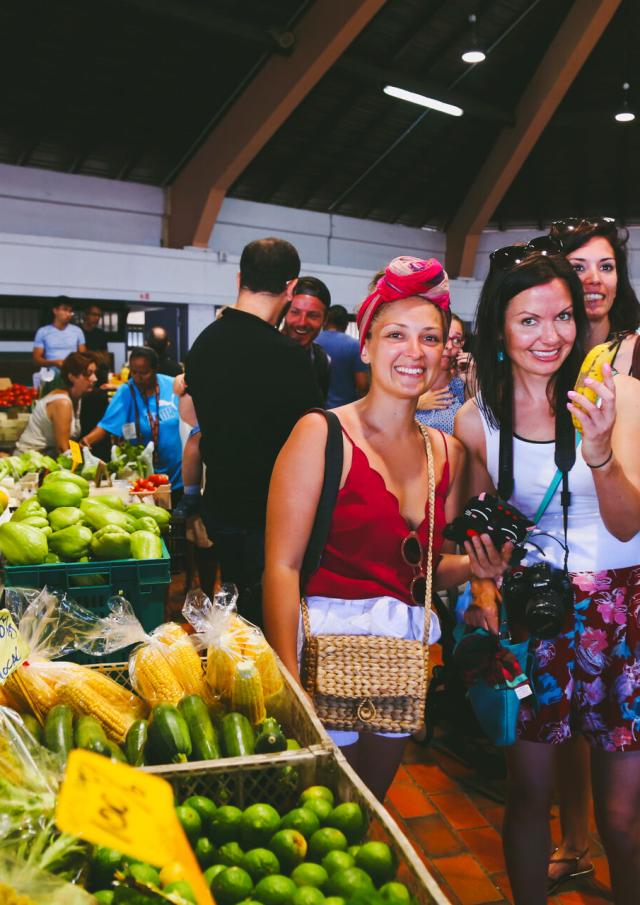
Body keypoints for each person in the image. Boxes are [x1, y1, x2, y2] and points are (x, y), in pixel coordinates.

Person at [264, 256, 510, 801]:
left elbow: (421, 574)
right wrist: (288, 685)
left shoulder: (446, 452)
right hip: (317, 658)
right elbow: (280, 567)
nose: (414, 352)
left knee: (367, 808)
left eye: (430, 337)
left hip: (395, 668)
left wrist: (477, 570)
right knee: (315, 809)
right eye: (396, 334)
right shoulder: (320, 433)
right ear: (367, 344)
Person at [454, 247, 640, 905]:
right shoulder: (477, 421)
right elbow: (481, 529)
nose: (551, 335)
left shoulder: (618, 398)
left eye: (562, 316)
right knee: (529, 796)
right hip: (535, 621)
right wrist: (482, 585)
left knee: (621, 815)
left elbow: (627, 526)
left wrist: (599, 456)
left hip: (620, 615)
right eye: (528, 320)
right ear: (499, 329)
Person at [544, 216, 640, 892]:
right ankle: (574, 841)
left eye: (605, 265)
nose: (594, 279)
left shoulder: (635, 353)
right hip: (559, 563)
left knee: (619, 732)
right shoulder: (545, 354)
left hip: (627, 560)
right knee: (569, 732)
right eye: (580, 266)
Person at [186, 237, 323, 626]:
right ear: (291, 287)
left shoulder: (204, 345)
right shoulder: (288, 358)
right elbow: (312, 441)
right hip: (274, 518)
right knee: (271, 625)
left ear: (240, 278)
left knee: (237, 613)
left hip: (223, 511)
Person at [81, 347, 183, 494]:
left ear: (156, 369)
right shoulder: (126, 392)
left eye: (144, 373)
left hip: (177, 472)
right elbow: (106, 425)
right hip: (143, 479)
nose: (137, 377)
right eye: (134, 372)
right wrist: (86, 440)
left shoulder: (172, 386)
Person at [16, 352, 98, 456]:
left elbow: (68, 443)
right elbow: (62, 448)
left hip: (48, 457)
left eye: (94, 373)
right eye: (88, 373)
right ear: (72, 376)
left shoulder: (77, 399)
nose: (94, 379)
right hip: (31, 459)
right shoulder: (62, 402)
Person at [282, 276, 331, 401]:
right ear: (284, 312)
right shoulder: (263, 352)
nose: (302, 322)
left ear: (324, 320)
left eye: (312, 315)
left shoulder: (322, 360)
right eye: (295, 312)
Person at [415, 314, 466, 434]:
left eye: (456, 340)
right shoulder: (410, 379)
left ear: (462, 344)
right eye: (443, 338)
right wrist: (414, 404)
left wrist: (472, 382)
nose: (449, 346)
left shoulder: (463, 386)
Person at [315, 304, 370, 408]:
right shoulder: (354, 346)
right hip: (345, 410)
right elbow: (362, 385)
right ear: (346, 324)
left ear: (325, 321)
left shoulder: (311, 342)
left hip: (315, 409)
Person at [32, 298, 86, 370]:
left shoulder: (77, 331)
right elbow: (36, 359)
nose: (68, 314)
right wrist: (54, 363)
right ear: (55, 311)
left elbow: (83, 356)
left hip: (72, 374)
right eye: (65, 310)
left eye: (70, 311)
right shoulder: (43, 331)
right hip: (50, 375)